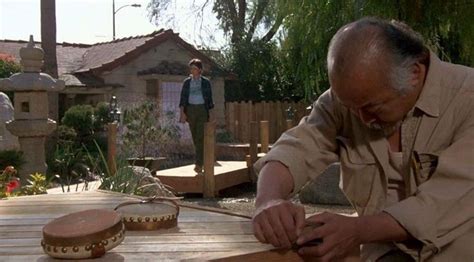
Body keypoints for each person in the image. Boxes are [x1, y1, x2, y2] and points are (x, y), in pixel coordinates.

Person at [252, 17, 474, 261]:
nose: (362, 119)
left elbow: (443, 202)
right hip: (381, 253)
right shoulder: (350, 100)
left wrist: (357, 230)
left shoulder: (468, 99)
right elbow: (297, 148)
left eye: (373, 107)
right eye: (351, 107)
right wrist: (268, 200)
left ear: (415, 73)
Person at [179, 58, 214, 173]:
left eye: (195, 68)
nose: (192, 70)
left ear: (199, 70)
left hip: (202, 109)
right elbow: (183, 98)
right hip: (191, 109)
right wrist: (182, 113)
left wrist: (211, 115)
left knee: (200, 136)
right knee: (195, 136)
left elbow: (210, 100)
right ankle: (200, 159)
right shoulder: (187, 82)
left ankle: (199, 163)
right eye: (191, 68)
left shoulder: (205, 82)